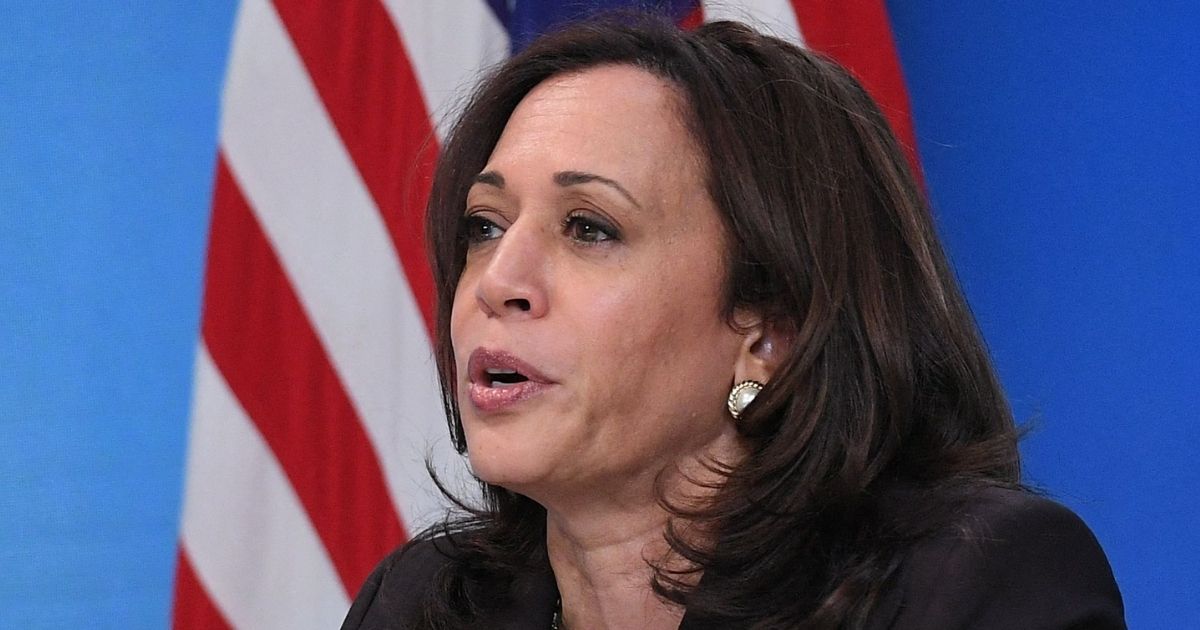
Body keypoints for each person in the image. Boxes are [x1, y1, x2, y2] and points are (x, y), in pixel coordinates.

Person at [342, 14, 1125, 630]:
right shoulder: (422, 605)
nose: (498, 283)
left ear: (768, 333)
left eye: (589, 227)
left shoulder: (970, 589)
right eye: (485, 225)